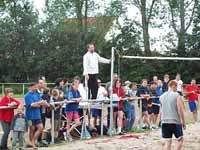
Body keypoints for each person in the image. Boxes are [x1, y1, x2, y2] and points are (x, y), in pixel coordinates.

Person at [160, 80, 186, 150]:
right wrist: (183, 122)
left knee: (168, 143)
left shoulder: (161, 96)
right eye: (176, 87)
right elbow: (180, 109)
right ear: (173, 86)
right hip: (175, 121)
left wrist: (161, 121)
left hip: (164, 121)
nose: (176, 89)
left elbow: (161, 111)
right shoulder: (177, 95)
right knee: (180, 140)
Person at [25, 83, 49, 149]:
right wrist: (39, 103)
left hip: (37, 115)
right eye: (34, 87)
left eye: (35, 87)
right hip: (30, 115)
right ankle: (31, 143)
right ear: (30, 88)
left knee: (41, 128)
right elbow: (31, 105)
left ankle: (33, 141)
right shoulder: (27, 95)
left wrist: (40, 103)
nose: (35, 88)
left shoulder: (37, 94)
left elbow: (40, 103)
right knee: (32, 129)